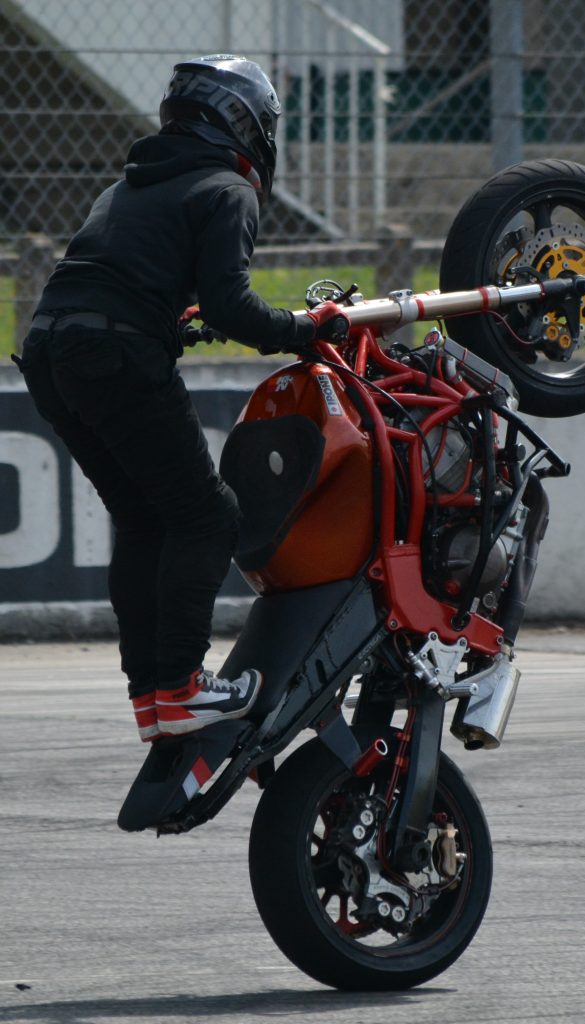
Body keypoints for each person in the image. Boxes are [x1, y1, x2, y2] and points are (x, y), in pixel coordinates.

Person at [16, 54, 347, 743]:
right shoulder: (228, 189)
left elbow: (124, 276)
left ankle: (154, 698)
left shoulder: (129, 187)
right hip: (116, 353)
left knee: (143, 521)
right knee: (209, 518)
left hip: (49, 352)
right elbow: (232, 305)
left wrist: (172, 317)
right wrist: (306, 330)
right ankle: (184, 686)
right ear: (246, 122)